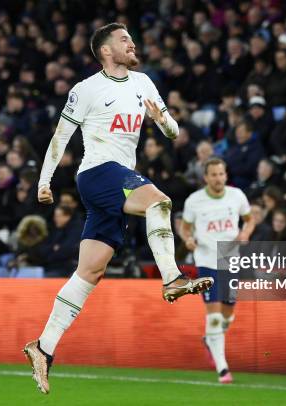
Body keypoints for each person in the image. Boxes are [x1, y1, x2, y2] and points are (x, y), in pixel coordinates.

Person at [24, 23, 213, 394]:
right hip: (97, 173)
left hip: (118, 177)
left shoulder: (144, 83)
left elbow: (172, 132)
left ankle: (42, 347)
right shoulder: (86, 89)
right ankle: (172, 277)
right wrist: (44, 181)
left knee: (90, 271)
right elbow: (60, 137)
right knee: (160, 201)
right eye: (124, 40)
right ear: (106, 50)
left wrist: (163, 121)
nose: (132, 43)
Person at [180, 158, 254, 384]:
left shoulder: (237, 195)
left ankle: (210, 340)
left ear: (226, 175)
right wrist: (188, 240)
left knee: (228, 314)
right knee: (212, 314)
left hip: (229, 259)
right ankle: (223, 369)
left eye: (221, 174)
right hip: (206, 260)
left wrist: (245, 234)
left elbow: (249, 220)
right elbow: (185, 227)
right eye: (214, 175)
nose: (218, 178)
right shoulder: (194, 201)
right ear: (206, 177)